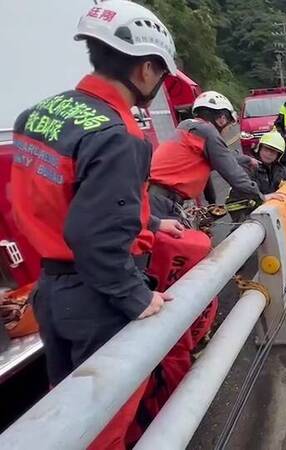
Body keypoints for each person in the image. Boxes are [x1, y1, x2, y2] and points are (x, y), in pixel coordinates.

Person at [10, 1, 181, 447]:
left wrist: (152, 225)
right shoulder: (119, 134)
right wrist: (136, 296)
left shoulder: (38, 115)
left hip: (50, 290)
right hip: (96, 298)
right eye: (161, 73)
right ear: (146, 69)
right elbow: (95, 235)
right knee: (102, 425)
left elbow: (54, 198)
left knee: (65, 408)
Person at [149, 90, 262, 222]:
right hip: (163, 202)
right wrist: (261, 197)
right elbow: (235, 175)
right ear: (222, 119)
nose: (227, 130)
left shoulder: (188, 128)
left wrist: (247, 160)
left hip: (156, 198)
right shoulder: (207, 131)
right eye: (229, 125)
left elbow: (223, 158)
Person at [226, 131, 286, 222]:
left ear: (278, 155)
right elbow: (235, 204)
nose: (268, 154)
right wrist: (262, 199)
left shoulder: (280, 170)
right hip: (250, 221)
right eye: (266, 149)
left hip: (275, 217)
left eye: (273, 152)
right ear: (259, 148)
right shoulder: (248, 169)